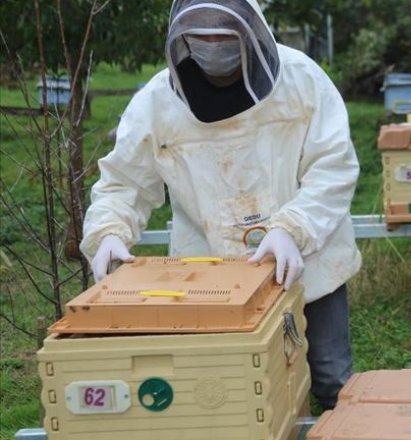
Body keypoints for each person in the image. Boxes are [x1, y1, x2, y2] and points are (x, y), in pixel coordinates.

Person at [79, 0, 361, 411]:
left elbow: (333, 166)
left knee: (332, 378)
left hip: (310, 261)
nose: (212, 43)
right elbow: (124, 182)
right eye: (201, 34)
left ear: (250, 28)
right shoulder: (156, 102)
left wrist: (292, 228)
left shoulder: (302, 79)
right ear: (181, 36)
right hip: (210, 277)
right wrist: (108, 231)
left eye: (223, 33)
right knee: (229, 396)